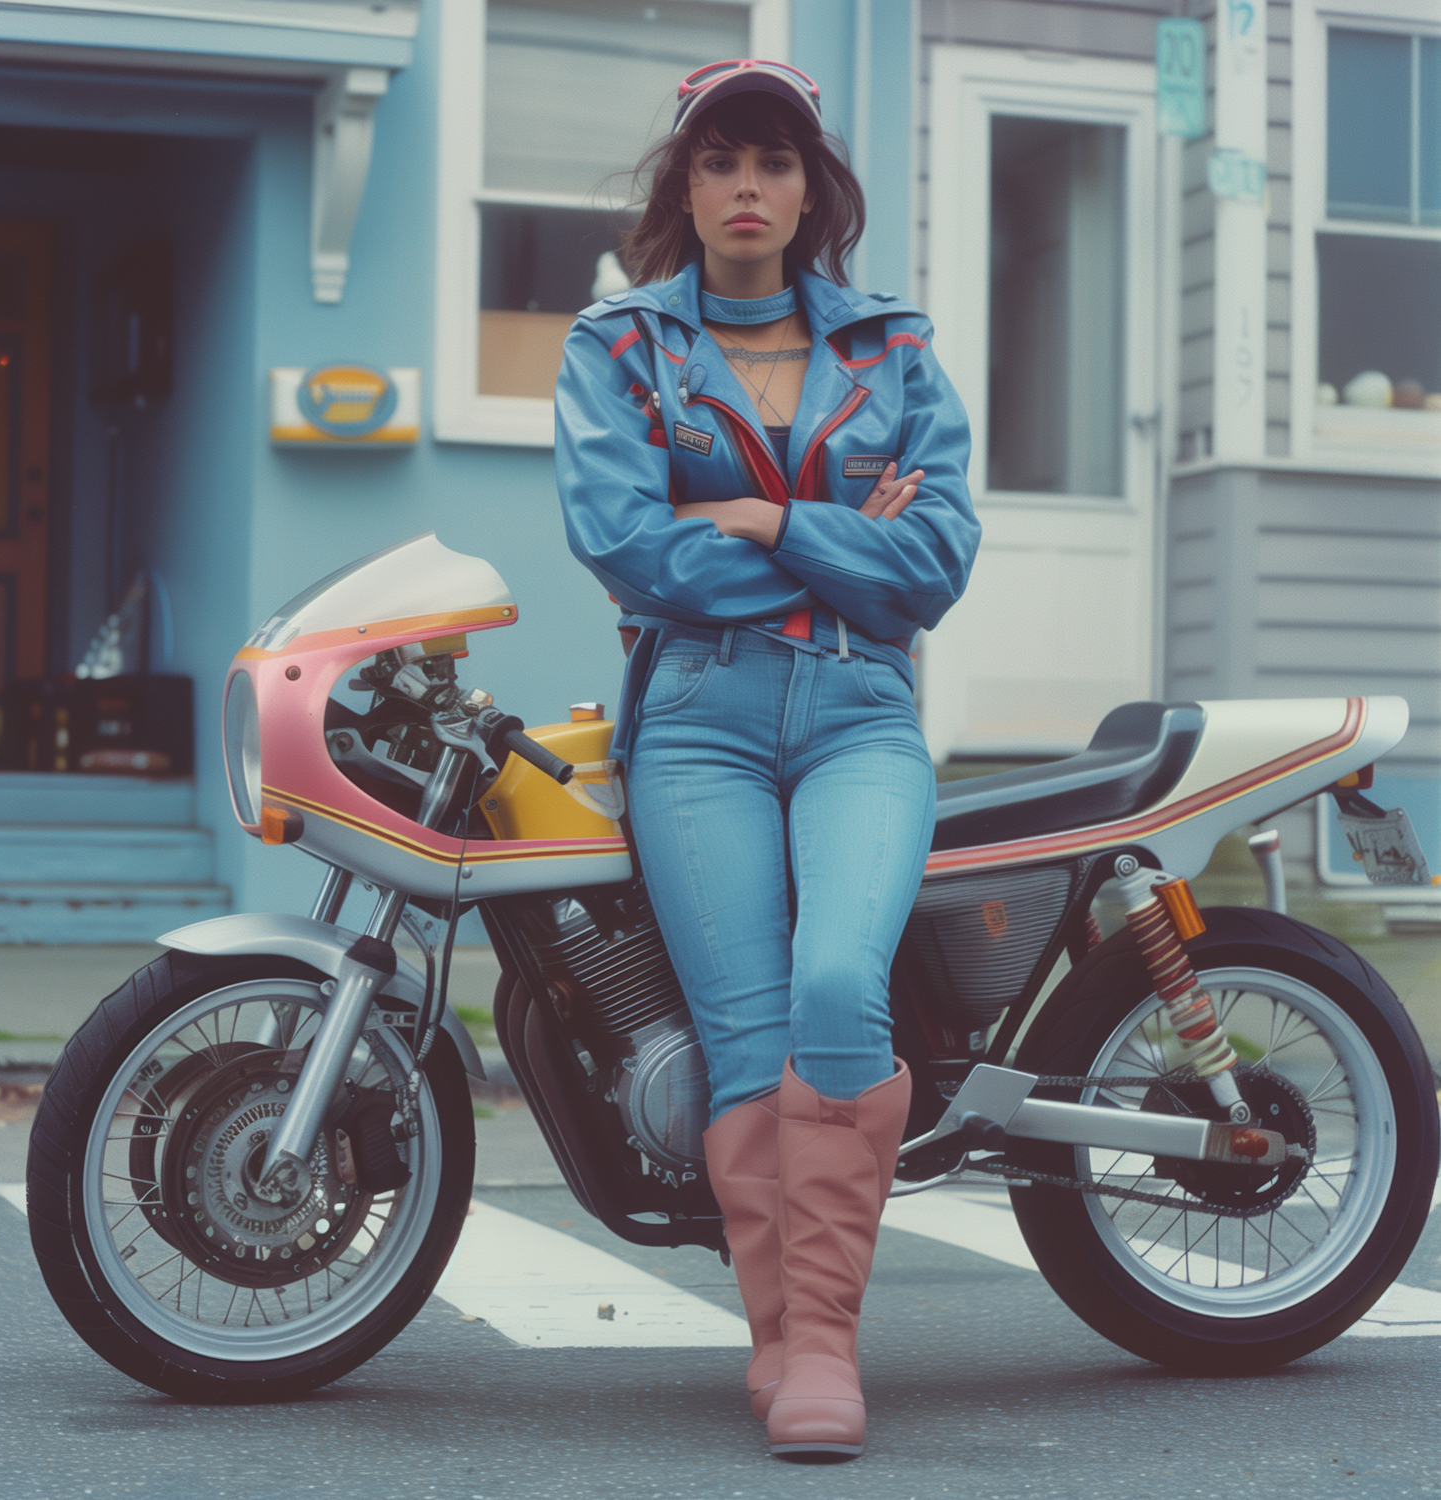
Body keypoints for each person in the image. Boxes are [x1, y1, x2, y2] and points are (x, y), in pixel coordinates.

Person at [553, 59, 979, 1460]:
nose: (749, 186)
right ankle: (791, 1350)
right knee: (742, 1034)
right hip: (695, 722)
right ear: (683, 182)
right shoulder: (617, 347)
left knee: (839, 983)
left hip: (864, 712)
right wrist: (838, 540)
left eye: (777, 162)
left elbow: (932, 566)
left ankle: (827, 1339)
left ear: (813, 188)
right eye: (722, 159)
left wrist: (761, 518)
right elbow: (626, 544)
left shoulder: (893, 346)